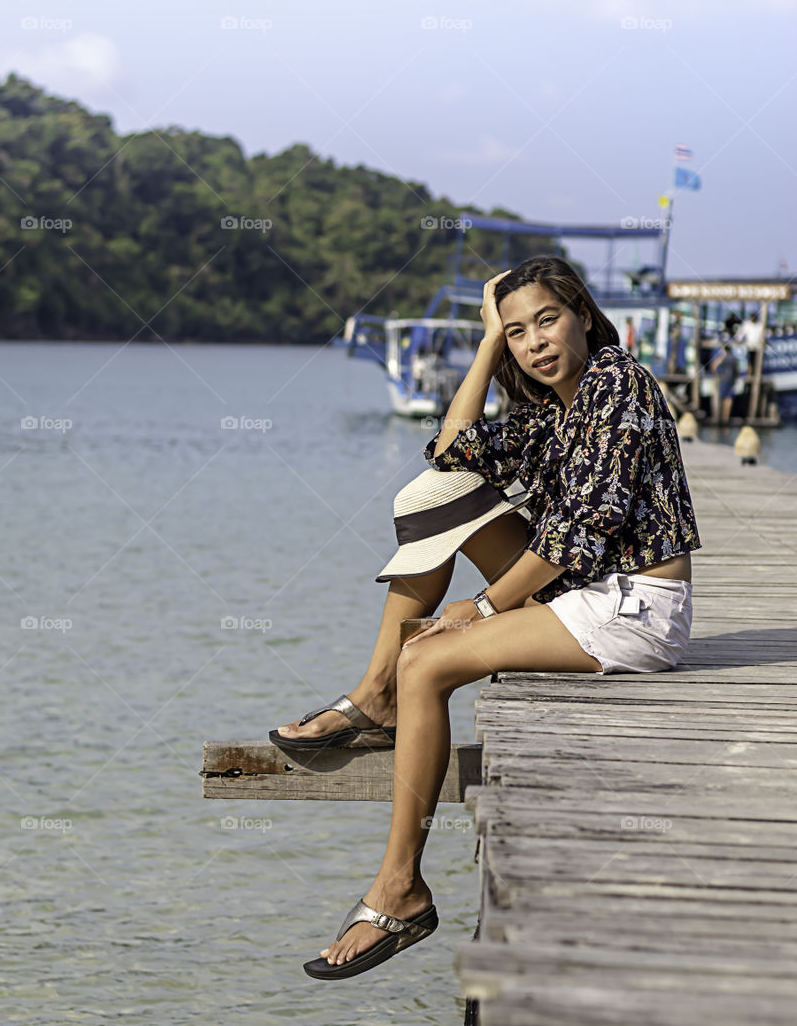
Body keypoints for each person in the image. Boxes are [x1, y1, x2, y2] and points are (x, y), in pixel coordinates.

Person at [271, 255, 702, 980]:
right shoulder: (553, 408)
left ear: (583, 317)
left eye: (546, 320)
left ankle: (399, 889)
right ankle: (378, 695)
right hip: (585, 592)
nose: (535, 342)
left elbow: (578, 535)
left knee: (428, 661)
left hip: (637, 609)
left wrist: (480, 607)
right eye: (516, 333)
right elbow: (448, 453)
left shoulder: (614, 383)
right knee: (441, 500)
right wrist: (482, 343)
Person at [711, 335, 738, 424]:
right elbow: (736, 371)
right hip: (731, 380)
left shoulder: (723, 357)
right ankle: (726, 417)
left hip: (724, 379)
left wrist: (717, 374)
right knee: (729, 399)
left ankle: (721, 416)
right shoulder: (734, 358)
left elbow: (714, 365)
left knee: (722, 398)